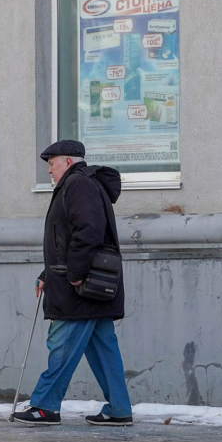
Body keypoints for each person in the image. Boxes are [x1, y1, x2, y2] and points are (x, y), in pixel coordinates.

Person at [12, 140, 133, 426]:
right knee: (103, 349)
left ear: (67, 161)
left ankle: (44, 406)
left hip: (80, 288)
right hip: (89, 285)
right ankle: (119, 409)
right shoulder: (80, 185)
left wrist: (73, 274)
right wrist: (47, 274)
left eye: (52, 165)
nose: (49, 172)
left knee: (62, 342)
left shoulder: (77, 185)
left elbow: (87, 233)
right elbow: (64, 242)